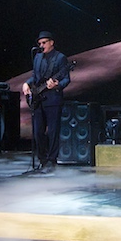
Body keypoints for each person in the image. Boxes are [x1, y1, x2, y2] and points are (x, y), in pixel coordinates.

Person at [22, 31, 71, 174]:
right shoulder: (37, 57)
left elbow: (66, 79)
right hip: (38, 99)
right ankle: (42, 159)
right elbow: (35, 76)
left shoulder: (60, 58)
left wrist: (57, 85)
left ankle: (52, 160)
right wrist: (27, 83)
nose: (41, 45)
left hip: (53, 99)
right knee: (38, 131)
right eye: (39, 43)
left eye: (44, 43)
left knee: (53, 131)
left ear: (51, 42)